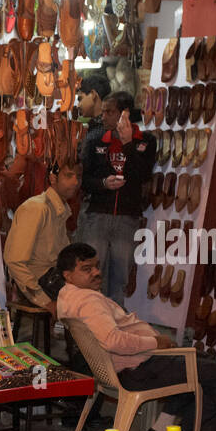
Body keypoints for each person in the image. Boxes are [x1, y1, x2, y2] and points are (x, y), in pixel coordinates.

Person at [56, 242, 216, 431]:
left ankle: (162, 427)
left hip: (124, 366)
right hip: (138, 369)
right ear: (68, 275)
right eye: (86, 269)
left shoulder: (67, 295)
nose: (96, 272)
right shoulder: (89, 301)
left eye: (96, 266)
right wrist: (156, 343)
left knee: (201, 361)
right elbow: (113, 340)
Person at [76, 91, 155, 304]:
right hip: (98, 215)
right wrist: (103, 183)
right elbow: (83, 180)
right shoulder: (95, 139)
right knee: (91, 273)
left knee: (120, 275)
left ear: (125, 114)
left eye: (109, 112)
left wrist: (128, 144)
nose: (103, 117)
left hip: (127, 217)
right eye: (103, 112)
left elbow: (143, 176)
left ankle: (114, 324)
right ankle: (91, 323)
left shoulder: (146, 141)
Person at [2, 162, 80, 315]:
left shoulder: (61, 209)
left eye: (79, 176)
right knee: (85, 302)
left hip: (50, 277)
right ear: (53, 178)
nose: (75, 182)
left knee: (90, 291)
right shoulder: (37, 208)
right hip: (36, 282)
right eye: (69, 176)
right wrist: (45, 300)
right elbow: (14, 260)